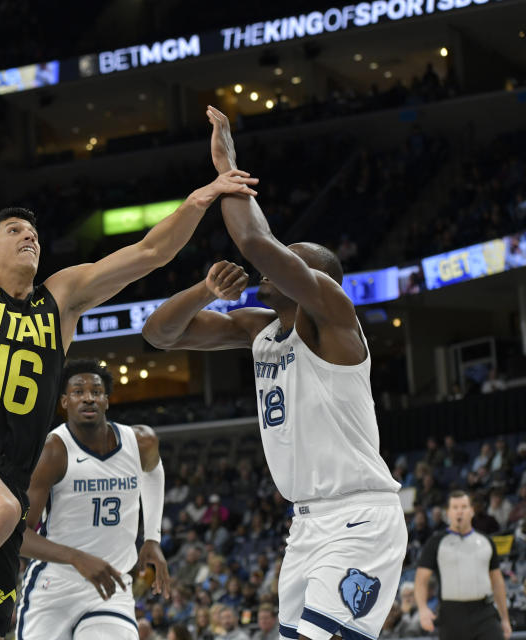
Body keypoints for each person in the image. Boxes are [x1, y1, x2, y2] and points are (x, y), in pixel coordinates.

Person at [0, 32, 259, 640]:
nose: (28, 234)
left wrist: (205, 195)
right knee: (1, 509)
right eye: (13, 230)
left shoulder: (62, 300)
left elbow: (150, 252)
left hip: (3, 487)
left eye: (33, 231)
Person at [143, 106, 407, 640]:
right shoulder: (257, 328)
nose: (274, 263)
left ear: (317, 281)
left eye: (292, 260)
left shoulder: (333, 320)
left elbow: (256, 243)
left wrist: (227, 170)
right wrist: (204, 293)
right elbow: (159, 335)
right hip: (305, 523)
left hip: (360, 518)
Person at [16, 360, 168, 640]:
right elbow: (18, 536)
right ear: (64, 401)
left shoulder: (141, 441)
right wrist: (76, 558)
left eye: (96, 391)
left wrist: (152, 537)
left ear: (107, 401)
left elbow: (154, 471)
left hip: (111, 588)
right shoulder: (52, 452)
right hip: (55, 587)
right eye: (78, 391)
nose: (88, 397)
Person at [415, 490, 512, 640]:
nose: (459, 511)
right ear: (448, 513)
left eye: (464, 506)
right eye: (455, 507)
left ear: (472, 511)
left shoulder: (486, 541)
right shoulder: (436, 543)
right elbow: (421, 580)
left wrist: (505, 619)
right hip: (452, 615)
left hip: (484, 612)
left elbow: (498, 582)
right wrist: (422, 609)